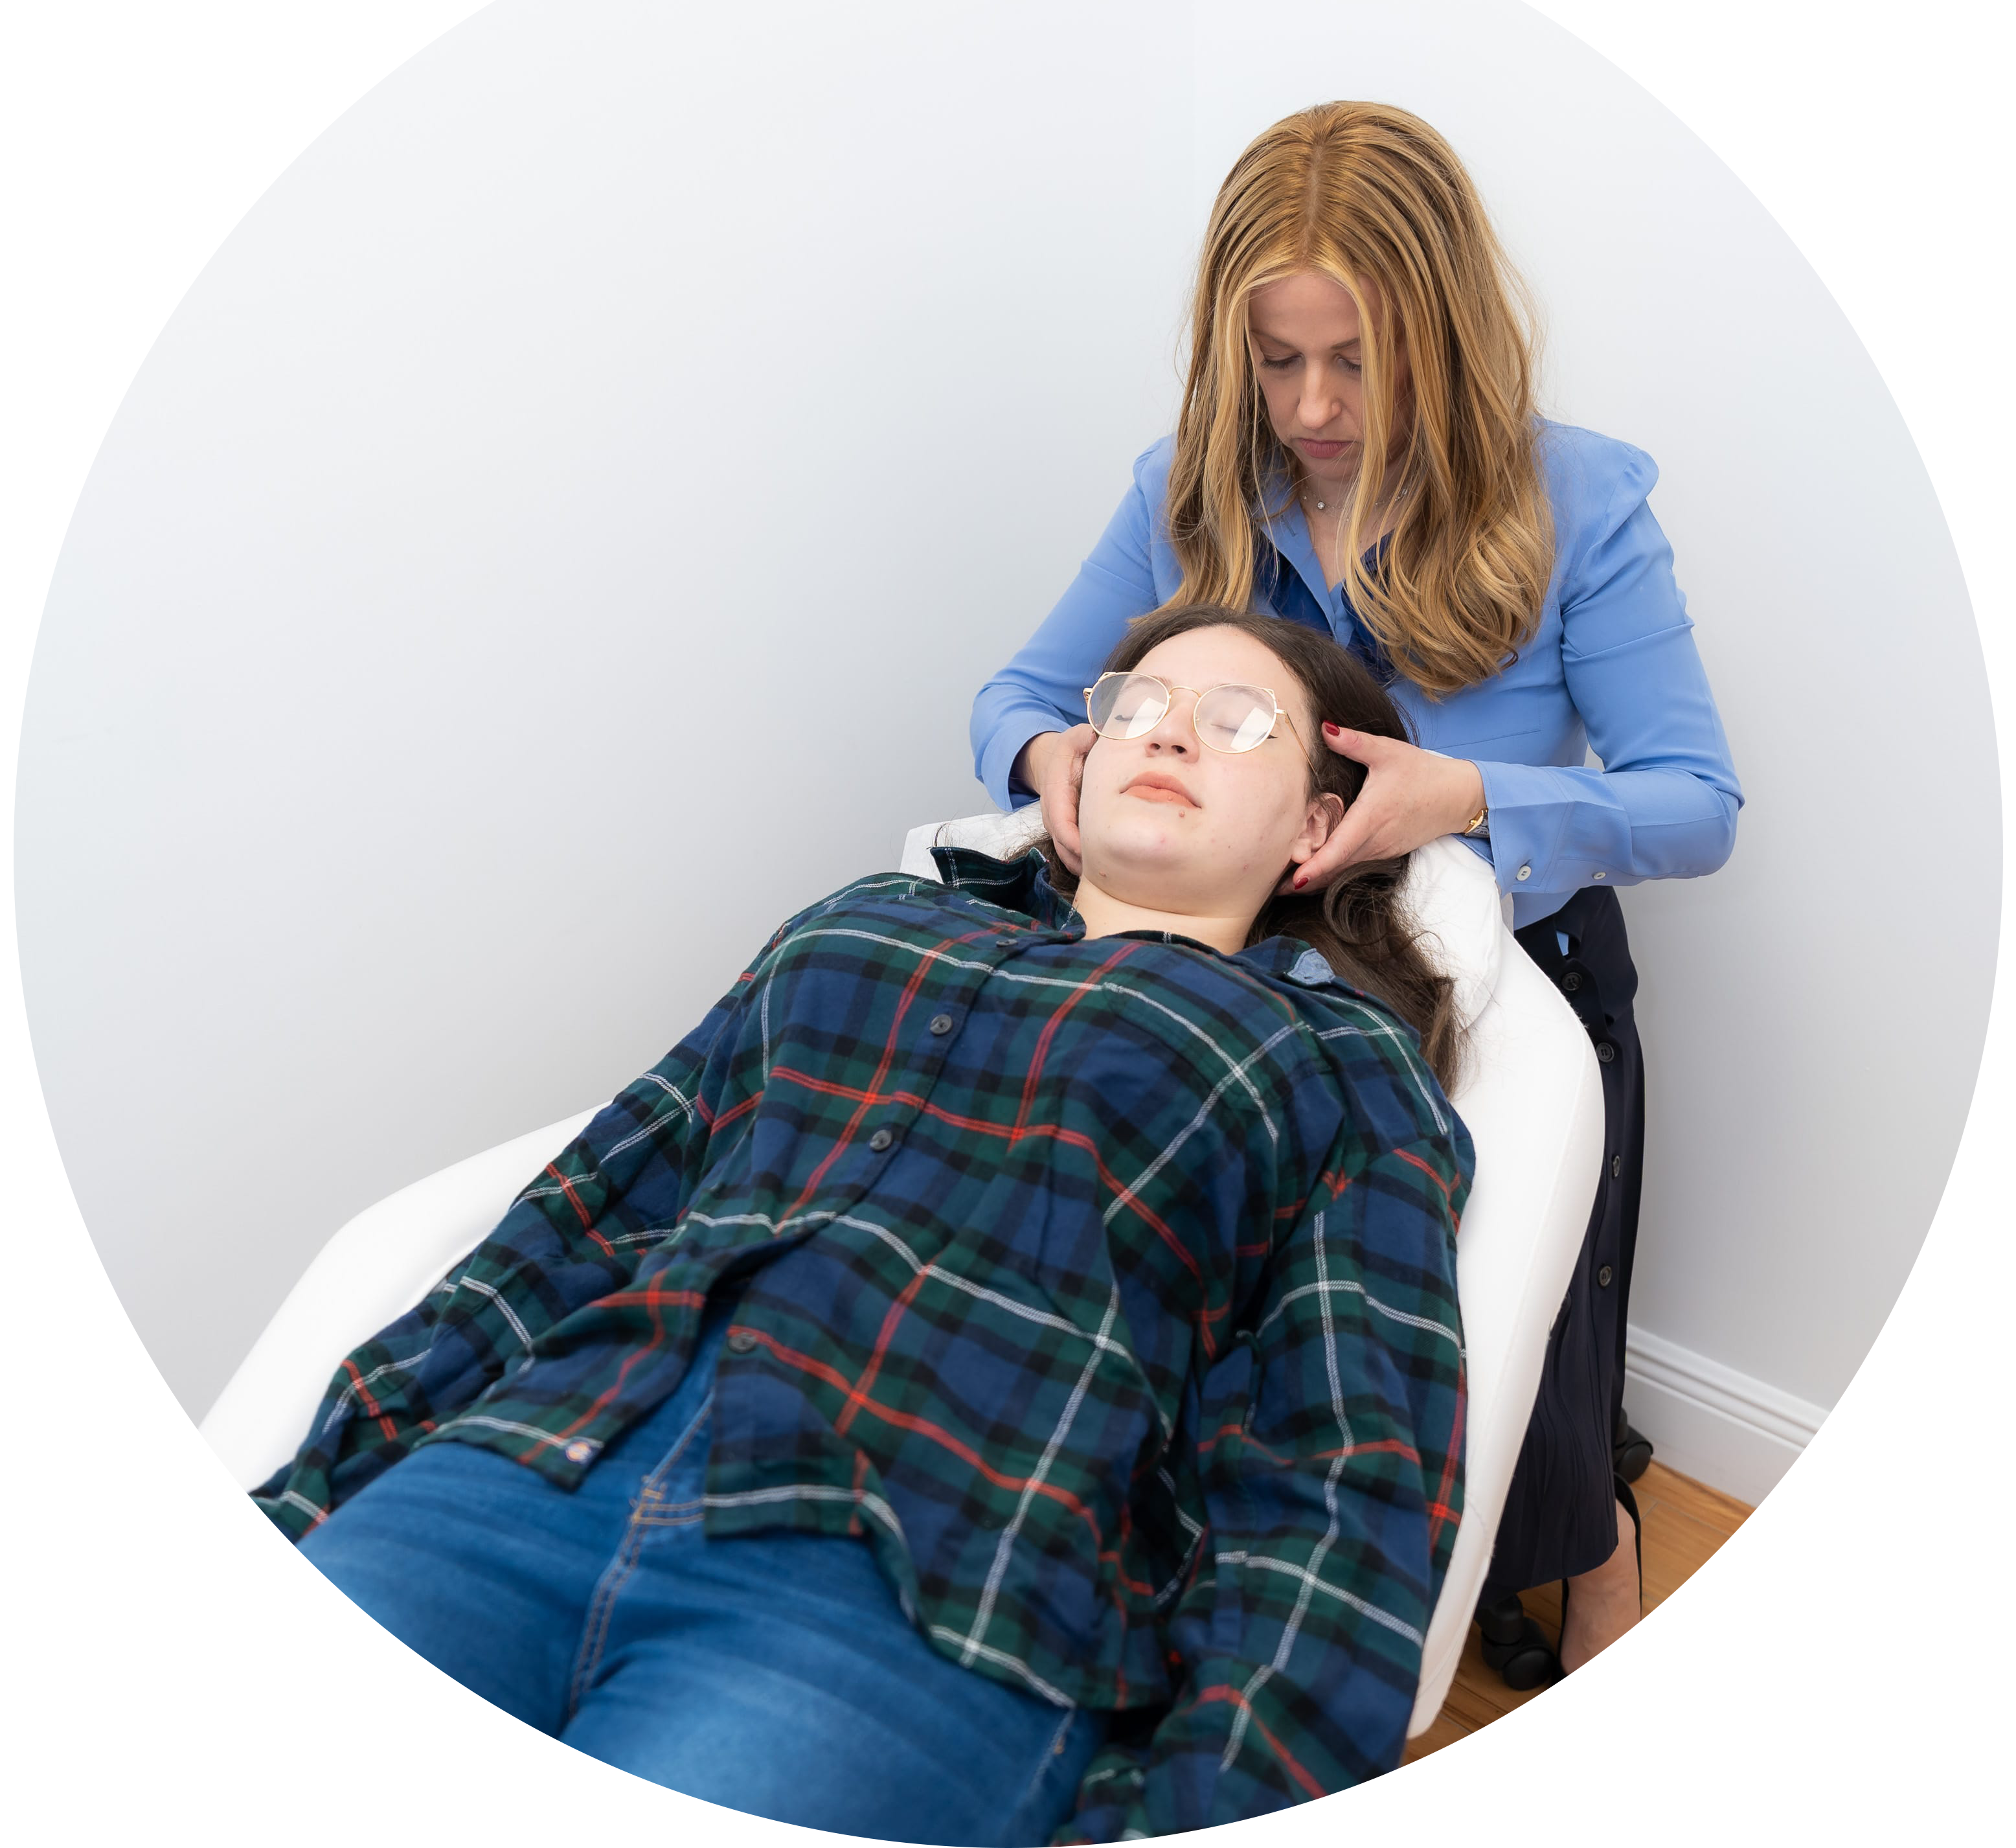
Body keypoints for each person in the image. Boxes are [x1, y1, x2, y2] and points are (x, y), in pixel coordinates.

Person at [75, 606, 1474, 1848]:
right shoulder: (863, 926)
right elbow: (567, 1228)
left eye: (1237, 723)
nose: (1168, 730)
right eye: (1135, 706)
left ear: (1312, 829)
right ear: (1077, 766)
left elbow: (1345, 1479)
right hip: (518, 1485)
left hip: (918, 1594)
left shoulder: (1327, 1066)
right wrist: (292, 1513)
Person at [972, 101, 1743, 1766]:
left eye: (1353, 363)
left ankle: (1593, 1556)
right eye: (1274, 365)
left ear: (1442, 334)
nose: (1310, 412)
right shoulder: (1195, 487)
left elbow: (1695, 802)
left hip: (1500, 969)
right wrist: (1066, 764)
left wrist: (1462, 800)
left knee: (1512, 1328)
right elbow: (1020, 697)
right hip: (1258, 969)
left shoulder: (1578, 502)